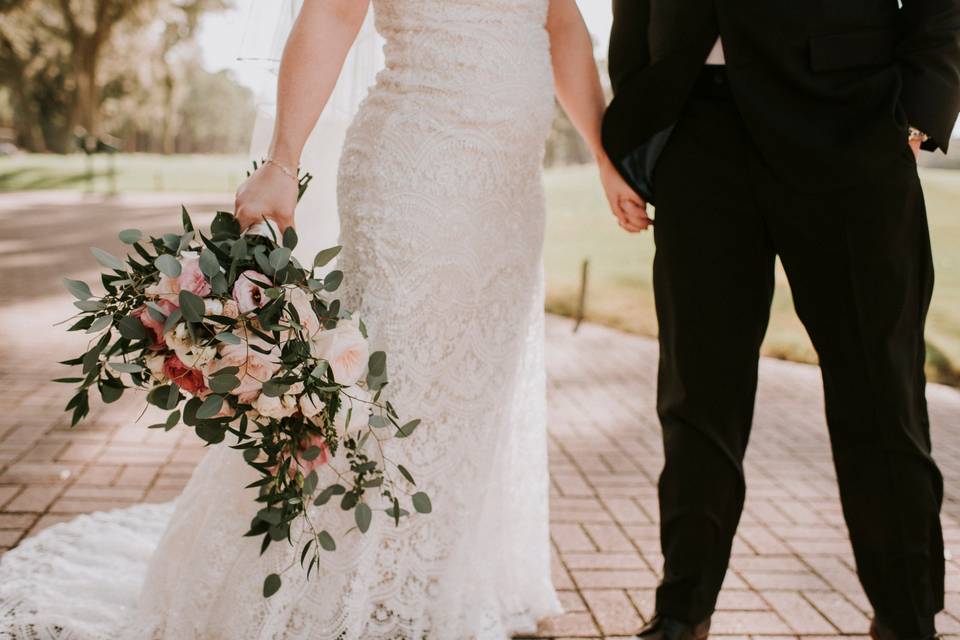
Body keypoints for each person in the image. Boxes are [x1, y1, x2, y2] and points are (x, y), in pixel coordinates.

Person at [0, 1, 649, 638]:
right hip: (418, 171)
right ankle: (330, 586)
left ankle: (420, 580)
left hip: (510, 192)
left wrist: (601, 153)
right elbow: (334, 12)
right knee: (385, 389)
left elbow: (560, 21)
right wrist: (283, 161)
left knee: (468, 391)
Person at [602, 1, 960, 638]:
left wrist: (922, 105)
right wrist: (636, 106)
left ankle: (909, 617)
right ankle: (683, 611)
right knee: (695, 391)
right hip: (694, 126)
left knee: (881, 388)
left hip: (848, 120)